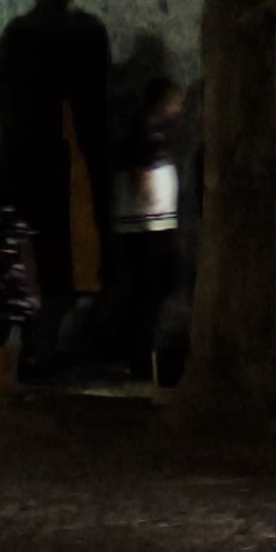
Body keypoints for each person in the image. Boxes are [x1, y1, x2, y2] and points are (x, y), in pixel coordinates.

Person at [0, 0, 123, 369]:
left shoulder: (29, 34)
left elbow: (1, 100)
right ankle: (38, 346)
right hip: (49, 163)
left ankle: (37, 347)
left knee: (47, 260)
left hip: (48, 163)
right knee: (47, 260)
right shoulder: (72, 33)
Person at [94, 79, 187, 382]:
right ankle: (143, 360)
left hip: (149, 224)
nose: (180, 108)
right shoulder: (145, 132)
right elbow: (137, 179)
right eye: (176, 101)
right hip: (148, 226)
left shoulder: (152, 131)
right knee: (148, 293)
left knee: (148, 292)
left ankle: (144, 358)